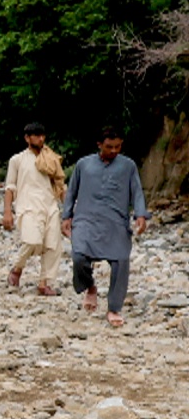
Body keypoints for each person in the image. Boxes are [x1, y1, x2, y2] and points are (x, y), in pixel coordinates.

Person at [62, 126, 149, 327]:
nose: (114, 151)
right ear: (99, 144)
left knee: (120, 261)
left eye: (118, 147)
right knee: (79, 256)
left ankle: (114, 308)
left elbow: (136, 191)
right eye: (109, 147)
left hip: (116, 221)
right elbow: (72, 191)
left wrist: (140, 214)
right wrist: (66, 215)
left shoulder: (128, 166)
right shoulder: (84, 164)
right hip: (85, 219)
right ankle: (90, 286)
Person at [3, 121, 66, 296]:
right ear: (27, 138)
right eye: (36, 136)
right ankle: (17, 268)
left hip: (50, 206)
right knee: (32, 240)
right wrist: (7, 211)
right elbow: (10, 187)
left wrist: (68, 211)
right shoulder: (17, 160)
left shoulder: (50, 158)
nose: (40, 139)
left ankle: (45, 283)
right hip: (27, 205)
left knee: (53, 245)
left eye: (42, 136)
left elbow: (60, 185)